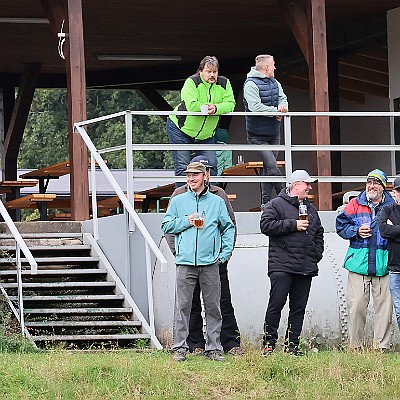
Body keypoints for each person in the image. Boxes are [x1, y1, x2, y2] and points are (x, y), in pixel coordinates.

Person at [165, 155, 241, 355]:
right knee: (183, 307)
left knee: (214, 307)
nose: (191, 178)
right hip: (186, 263)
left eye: (195, 175)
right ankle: (180, 348)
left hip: (210, 263)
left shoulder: (217, 200)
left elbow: (229, 227)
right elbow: (166, 225)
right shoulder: (178, 199)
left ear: (205, 176)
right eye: (188, 175)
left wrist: (224, 254)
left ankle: (214, 348)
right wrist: (186, 223)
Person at [260, 170, 324, 356]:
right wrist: (292, 224)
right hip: (281, 266)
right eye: (307, 184)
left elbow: (319, 233)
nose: (310, 187)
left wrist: (315, 255)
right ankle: (269, 344)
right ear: (295, 185)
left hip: (305, 267)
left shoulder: (311, 209)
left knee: (298, 309)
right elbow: (265, 226)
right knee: (276, 304)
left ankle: (292, 346)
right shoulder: (276, 204)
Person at [336, 169, 394, 350]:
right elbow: (340, 225)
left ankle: (381, 348)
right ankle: (355, 347)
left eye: (376, 183)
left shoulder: (392, 206)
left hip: (384, 264)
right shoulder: (354, 204)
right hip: (358, 264)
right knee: (356, 308)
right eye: (369, 182)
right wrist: (355, 232)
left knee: (384, 309)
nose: (372, 186)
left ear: (383, 187)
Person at [166, 56, 236, 185]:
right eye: (208, 71)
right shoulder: (191, 82)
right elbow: (191, 104)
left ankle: (209, 197)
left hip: (206, 134)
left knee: (211, 165)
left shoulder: (224, 83)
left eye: (215, 72)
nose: (212, 75)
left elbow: (231, 104)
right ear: (200, 71)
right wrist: (207, 107)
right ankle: (184, 200)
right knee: (183, 166)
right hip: (180, 129)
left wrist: (216, 108)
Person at [243, 54, 288, 208]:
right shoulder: (250, 85)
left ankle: (265, 203)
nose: (275, 67)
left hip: (274, 132)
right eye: (273, 64)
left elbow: (283, 98)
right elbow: (255, 107)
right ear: (267, 67)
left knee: (269, 167)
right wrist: (275, 111)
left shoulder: (275, 82)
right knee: (273, 166)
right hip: (256, 135)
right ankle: (287, 198)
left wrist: (283, 106)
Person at [378, 176, 400, 331]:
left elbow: (389, 231)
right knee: (399, 311)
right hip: (395, 269)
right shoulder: (387, 209)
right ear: (394, 192)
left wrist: (395, 230)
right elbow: (384, 230)